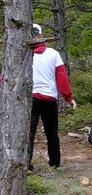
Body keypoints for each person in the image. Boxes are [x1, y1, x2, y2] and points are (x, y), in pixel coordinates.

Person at [28, 23, 76, 170]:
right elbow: (62, 78)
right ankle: (54, 164)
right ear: (41, 36)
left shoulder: (23, 54)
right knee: (51, 132)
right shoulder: (53, 54)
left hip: (30, 98)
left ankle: (25, 164)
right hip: (49, 98)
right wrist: (68, 98)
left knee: (28, 132)